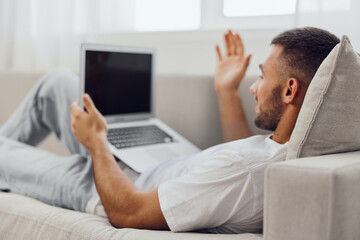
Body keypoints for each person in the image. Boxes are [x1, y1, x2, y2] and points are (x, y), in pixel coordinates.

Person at [0, 27, 340, 234]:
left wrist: (98, 142)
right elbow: (246, 154)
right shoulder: (287, 152)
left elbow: (127, 212)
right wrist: (225, 90)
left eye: (263, 76)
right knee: (57, 82)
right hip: (150, 164)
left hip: (104, 186)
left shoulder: (245, 174)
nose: (253, 87)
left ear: (290, 91)